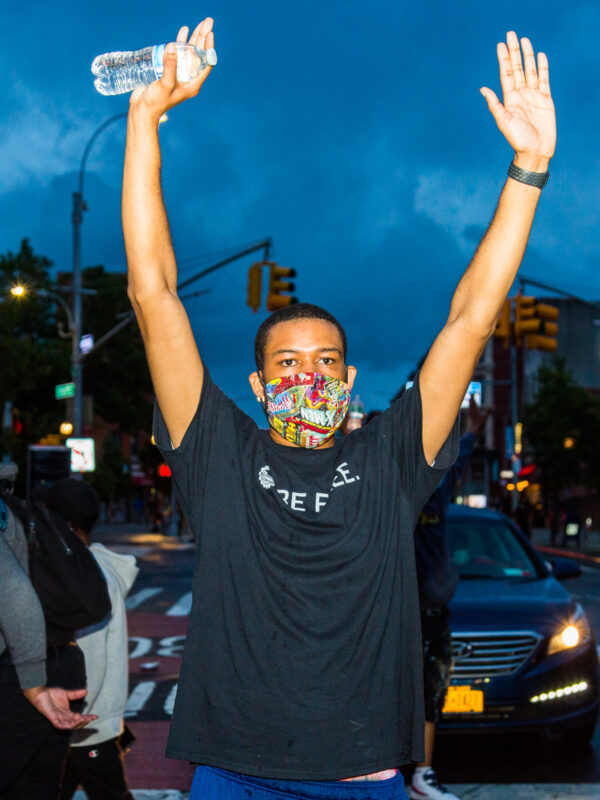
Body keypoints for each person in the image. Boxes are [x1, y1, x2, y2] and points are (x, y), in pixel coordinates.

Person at [122, 18, 555, 799]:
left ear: (351, 380)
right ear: (258, 387)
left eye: (327, 362)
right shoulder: (218, 450)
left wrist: (528, 168)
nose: (309, 375)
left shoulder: (393, 458)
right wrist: (144, 123)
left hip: (363, 776)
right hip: (232, 772)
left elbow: (469, 319)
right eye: (288, 363)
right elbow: (153, 294)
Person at [33, 479, 139, 800]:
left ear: (64, 525)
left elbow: (88, 658)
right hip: (86, 726)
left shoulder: (83, 581)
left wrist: (68, 715)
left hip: (81, 726)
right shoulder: (96, 565)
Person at [408, 399, 490, 800]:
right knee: (399, 690)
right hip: (401, 609)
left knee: (432, 688)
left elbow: (457, 459)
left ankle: (422, 774)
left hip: (433, 608)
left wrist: (473, 427)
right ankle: (388, 771)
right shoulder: (391, 485)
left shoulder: (437, 487)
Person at [0, 464, 97, 799]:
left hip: (21, 673)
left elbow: (15, 593)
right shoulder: (24, 524)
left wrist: (32, 681)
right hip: (63, 665)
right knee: (37, 787)